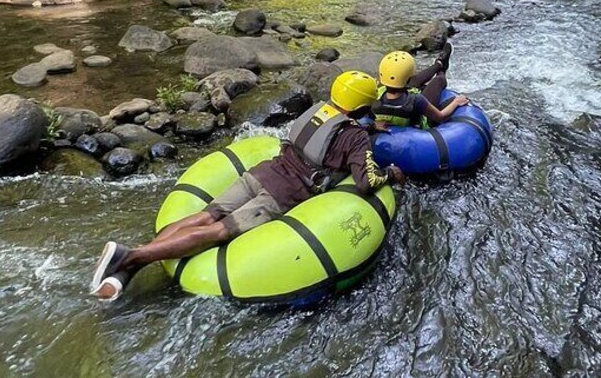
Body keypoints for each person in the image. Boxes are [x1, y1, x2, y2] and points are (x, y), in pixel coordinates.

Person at [89, 71, 405, 301]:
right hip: (280, 195)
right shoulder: (355, 136)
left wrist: (367, 126)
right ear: (365, 105)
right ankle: (131, 258)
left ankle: (126, 268)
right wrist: (391, 174)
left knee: (205, 216)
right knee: (218, 232)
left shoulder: (318, 111)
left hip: (260, 174)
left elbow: (338, 129)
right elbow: (365, 182)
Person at [372, 43, 470, 131]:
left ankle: (438, 63)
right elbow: (440, 117)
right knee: (438, 80)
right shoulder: (417, 100)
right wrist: (456, 102)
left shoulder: (376, 94)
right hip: (420, 121)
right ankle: (441, 69)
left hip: (401, 96)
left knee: (408, 83)